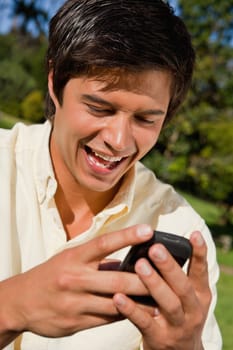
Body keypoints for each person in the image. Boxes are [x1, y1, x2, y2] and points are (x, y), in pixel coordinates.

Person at [0, 0, 222, 349]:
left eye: (146, 119)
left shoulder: (182, 229)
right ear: (55, 81)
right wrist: (10, 307)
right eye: (99, 107)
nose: (118, 141)